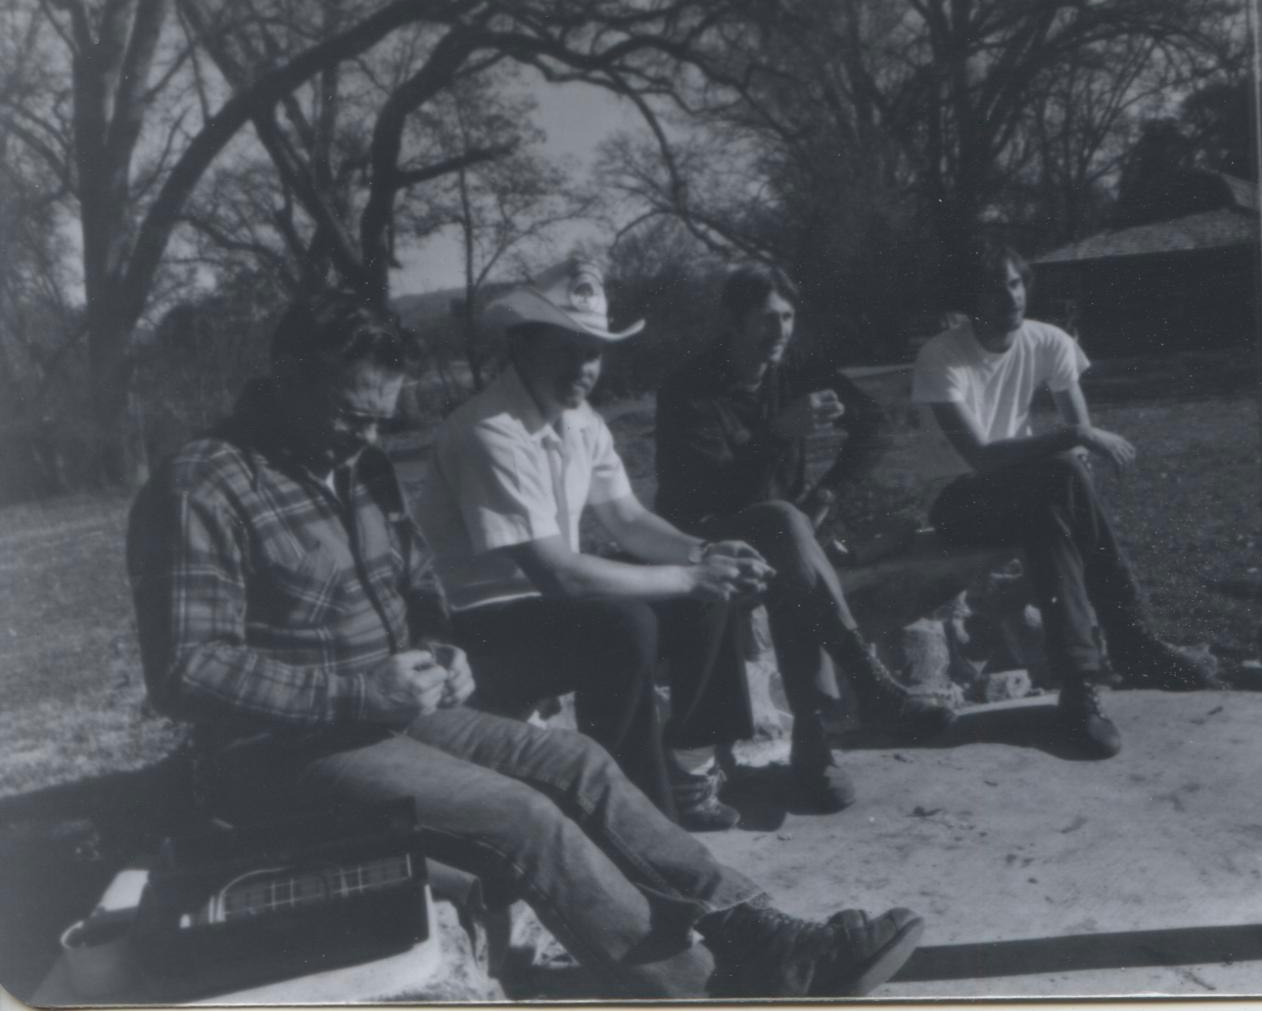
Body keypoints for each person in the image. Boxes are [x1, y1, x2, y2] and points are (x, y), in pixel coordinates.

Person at [126, 293, 925, 1000]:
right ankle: (695, 994)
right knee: (521, 818)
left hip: (398, 715)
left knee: (578, 763)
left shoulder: (362, 464)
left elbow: (416, 587)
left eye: (378, 419)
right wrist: (364, 691)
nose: (361, 438)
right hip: (276, 756)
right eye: (347, 414)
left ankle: (761, 934)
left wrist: (441, 644)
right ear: (286, 374)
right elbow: (184, 670)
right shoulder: (204, 483)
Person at [415, 259, 782, 831]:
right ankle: (636, 820)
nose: (584, 367)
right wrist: (689, 576)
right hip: (481, 628)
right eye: (567, 350)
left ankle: (690, 771)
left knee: (706, 591)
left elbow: (627, 517)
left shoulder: (578, 417)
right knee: (623, 624)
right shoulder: (488, 429)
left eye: (594, 351)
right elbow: (558, 575)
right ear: (523, 346)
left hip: (546, 607)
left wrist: (704, 555)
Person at [655, 263, 955, 813]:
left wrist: (825, 497)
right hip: (701, 539)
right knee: (784, 529)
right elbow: (704, 493)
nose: (782, 330)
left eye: (789, 316)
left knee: (791, 543)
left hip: (783, 536)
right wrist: (776, 435)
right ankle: (836, 723)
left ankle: (816, 741)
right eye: (768, 318)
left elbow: (875, 425)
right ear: (734, 320)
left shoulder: (794, 371)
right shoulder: (688, 388)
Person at [911, 240, 1223, 759]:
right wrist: (1071, 438)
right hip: (959, 502)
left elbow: (1077, 439)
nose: (1010, 297)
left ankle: (1079, 687)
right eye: (994, 288)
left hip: (1033, 494)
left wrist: (1073, 440)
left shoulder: (1048, 340)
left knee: (1049, 512)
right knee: (1057, 474)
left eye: (1015, 283)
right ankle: (1130, 638)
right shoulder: (941, 356)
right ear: (971, 299)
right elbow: (984, 457)